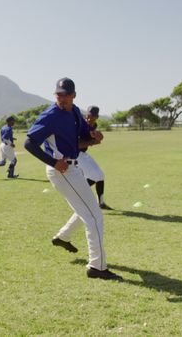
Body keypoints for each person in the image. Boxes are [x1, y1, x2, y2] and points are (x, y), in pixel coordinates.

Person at [24, 77, 122, 280]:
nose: (63, 98)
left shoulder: (76, 112)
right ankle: (97, 266)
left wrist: (95, 137)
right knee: (94, 216)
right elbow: (29, 142)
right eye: (59, 94)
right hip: (62, 171)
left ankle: (63, 237)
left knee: (87, 209)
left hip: (74, 168)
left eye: (66, 94)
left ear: (74, 95)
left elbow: (82, 140)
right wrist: (52, 162)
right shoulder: (50, 115)